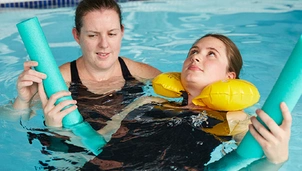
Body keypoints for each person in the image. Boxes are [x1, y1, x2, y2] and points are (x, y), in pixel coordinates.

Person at [13, 0, 161, 127]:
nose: (104, 44)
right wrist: (23, 100)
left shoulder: (139, 72)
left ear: (122, 32)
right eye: (92, 35)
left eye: (111, 34)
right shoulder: (59, 81)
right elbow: (12, 122)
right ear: (77, 35)